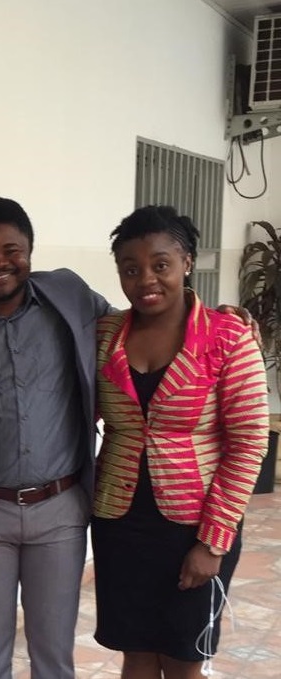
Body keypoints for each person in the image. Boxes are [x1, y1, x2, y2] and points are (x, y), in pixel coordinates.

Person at [0, 197, 110, 679]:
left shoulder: (69, 296)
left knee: (54, 657)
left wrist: (208, 316)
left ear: (31, 250)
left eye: (12, 249)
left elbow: (132, 328)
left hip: (60, 511)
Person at [91, 205, 269, 679]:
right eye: (131, 269)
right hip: (120, 521)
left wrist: (212, 543)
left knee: (184, 659)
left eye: (160, 264)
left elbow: (250, 442)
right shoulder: (105, 335)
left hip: (194, 526)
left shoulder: (228, 336)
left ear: (187, 261)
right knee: (137, 654)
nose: (146, 278)